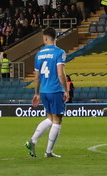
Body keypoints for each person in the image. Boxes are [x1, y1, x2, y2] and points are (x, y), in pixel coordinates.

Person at [24, 27, 68, 159]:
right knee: (57, 120)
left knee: (50, 118)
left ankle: (32, 141)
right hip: (55, 90)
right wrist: (66, 90)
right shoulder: (59, 52)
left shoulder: (39, 54)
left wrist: (37, 93)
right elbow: (60, 74)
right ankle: (48, 152)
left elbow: (36, 77)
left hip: (44, 91)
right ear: (55, 37)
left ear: (45, 38)